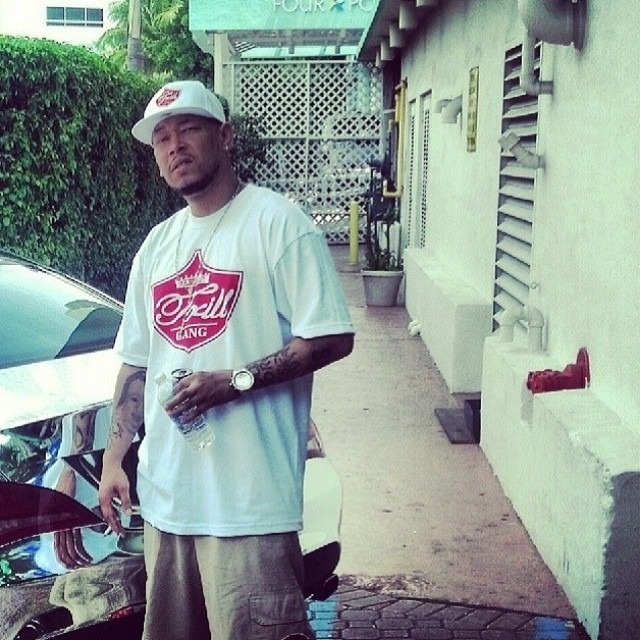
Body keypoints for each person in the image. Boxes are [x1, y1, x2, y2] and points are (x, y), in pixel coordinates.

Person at [98, 80, 355, 640]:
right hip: (167, 506)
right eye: (162, 138)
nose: (175, 145)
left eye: (188, 129)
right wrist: (114, 458)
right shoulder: (156, 246)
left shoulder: (278, 224)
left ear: (225, 135)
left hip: (250, 508)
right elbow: (136, 364)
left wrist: (234, 381)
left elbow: (333, 338)